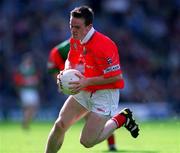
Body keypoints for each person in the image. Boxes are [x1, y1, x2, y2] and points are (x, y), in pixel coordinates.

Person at [44, 6, 139, 153]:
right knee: (60, 125)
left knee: (87, 142)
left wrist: (86, 82)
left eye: (77, 27)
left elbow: (116, 76)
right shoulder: (75, 40)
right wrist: (65, 73)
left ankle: (122, 118)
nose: (73, 30)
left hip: (105, 94)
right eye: (71, 26)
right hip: (85, 87)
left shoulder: (104, 45)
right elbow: (71, 59)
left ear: (88, 27)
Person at [47, 39, 118, 151]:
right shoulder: (59, 51)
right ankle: (112, 142)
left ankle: (112, 141)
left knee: (90, 129)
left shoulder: (98, 47)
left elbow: (112, 74)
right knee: (60, 125)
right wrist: (61, 82)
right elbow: (53, 70)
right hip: (76, 89)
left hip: (97, 91)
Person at [13, 53, 40, 129]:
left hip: (32, 90)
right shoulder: (21, 69)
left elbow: (37, 79)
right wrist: (25, 82)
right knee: (29, 107)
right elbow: (17, 80)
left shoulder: (33, 68)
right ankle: (25, 123)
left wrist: (35, 81)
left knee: (34, 107)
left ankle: (26, 121)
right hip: (26, 90)